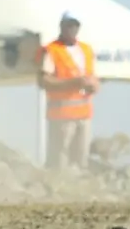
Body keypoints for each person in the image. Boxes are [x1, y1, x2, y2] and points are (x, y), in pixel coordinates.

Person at [40, 11, 99, 170]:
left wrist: (94, 85)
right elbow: (45, 81)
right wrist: (73, 83)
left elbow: (91, 75)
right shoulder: (53, 50)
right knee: (59, 162)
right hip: (62, 117)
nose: (72, 29)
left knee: (81, 161)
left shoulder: (86, 50)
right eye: (69, 25)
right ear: (62, 26)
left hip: (84, 115)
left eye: (75, 25)